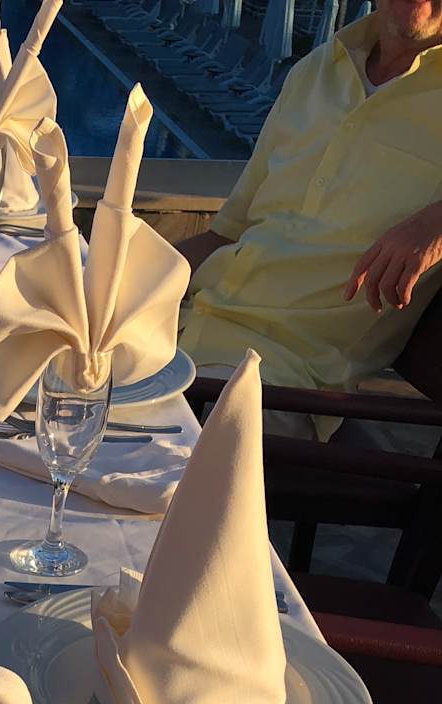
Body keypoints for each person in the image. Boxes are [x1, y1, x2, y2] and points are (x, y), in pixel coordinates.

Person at [178, 0, 442, 418]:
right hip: (179, 326)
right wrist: (117, 275)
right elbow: (225, 234)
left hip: (276, 377)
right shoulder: (315, 70)